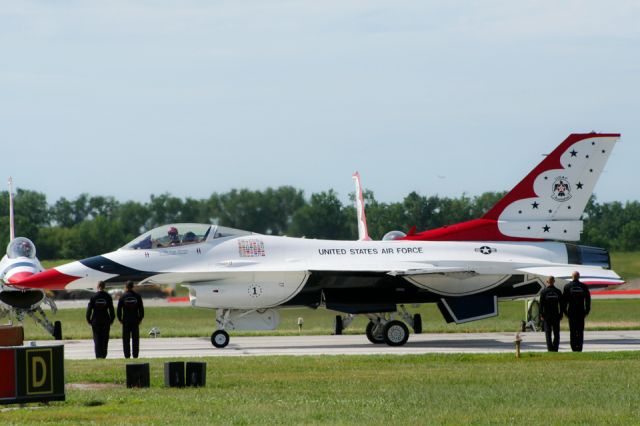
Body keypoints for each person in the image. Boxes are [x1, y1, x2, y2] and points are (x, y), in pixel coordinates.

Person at [86, 281, 115, 359]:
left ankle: (98, 356)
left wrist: (89, 320)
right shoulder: (108, 297)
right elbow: (111, 310)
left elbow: (89, 310)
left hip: (96, 320)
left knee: (97, 338)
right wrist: (111, 320)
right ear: (104, 286)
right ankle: (104, 355)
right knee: (105, 339)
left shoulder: (93, 297)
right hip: (105, 320)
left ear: (97, 286)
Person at [563, 271, 591, 352]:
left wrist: (565, 311)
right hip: (581, 312)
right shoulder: (583, 286)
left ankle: (573, 347)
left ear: (572, 277)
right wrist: (587, 310)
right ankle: (579, 347)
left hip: (571, 312)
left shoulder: (567, 286)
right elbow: (588, 299)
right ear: (579, 277)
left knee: (572, 331)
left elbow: (564, 300)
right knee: (580, 331)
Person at [117, 281, 145, 358]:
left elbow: (119, 310)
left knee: (126, 339)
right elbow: (141, 309)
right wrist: (140, 319)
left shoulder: (122, 297)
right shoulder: (137, 296)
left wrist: (120, 319)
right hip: (135, 320)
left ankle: (127, 355)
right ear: (133, 287)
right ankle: (135, 355)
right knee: (135, 339)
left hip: (125, 321)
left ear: (126, 287)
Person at [539, 276, 564, 352]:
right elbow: (562, 304)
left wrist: (541, 314)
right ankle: (555, 348)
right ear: (554, 281)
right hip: (556, 315)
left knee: (548, 332)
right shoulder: (558, 291)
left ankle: (550, 349)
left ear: (547, 282)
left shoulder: (543, 292)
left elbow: (541, 305)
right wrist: (561, 314)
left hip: (547, 316)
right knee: (556, 333)